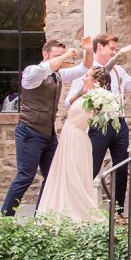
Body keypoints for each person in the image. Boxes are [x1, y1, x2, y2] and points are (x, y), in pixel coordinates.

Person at [1, 36, 93, 216]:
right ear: (45, 54)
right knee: (25, 177)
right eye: (57, 55)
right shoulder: (32, 72)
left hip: (48, 134)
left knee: (52, 176)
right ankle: (5, 219)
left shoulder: (58, 75)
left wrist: (88, 51)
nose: (62, 60)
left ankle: (41, 216)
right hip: (29, 131)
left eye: (63, 56)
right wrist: (66, 54)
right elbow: (45, 69)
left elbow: (84, 68)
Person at [66, 34, 131, 216]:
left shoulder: (118, 70)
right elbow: (68, 101)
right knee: (92, 166)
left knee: (122, 166)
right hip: (98, 123)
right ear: (100, 47)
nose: (114, 51)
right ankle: (81, 208)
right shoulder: (86, 71)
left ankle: (117, 211)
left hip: (120, 122)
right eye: (111, 48)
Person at [36, 67, 110, 222]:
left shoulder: (95, 99)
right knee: (65, 176)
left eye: (87, 76)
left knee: (73, 177)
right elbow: (70, 103)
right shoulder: (87, 95)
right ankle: (64, 210)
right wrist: (82, 91)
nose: (83, 78)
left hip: (76, 140)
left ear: (95, 81)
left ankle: (79, 213)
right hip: (70, 139)